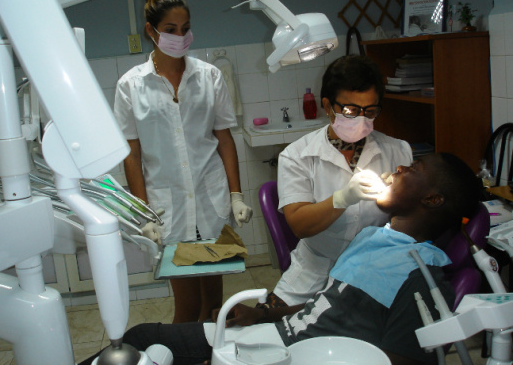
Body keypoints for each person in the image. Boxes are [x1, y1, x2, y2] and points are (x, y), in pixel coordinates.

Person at [79, 153, 483, 365]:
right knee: (138, 338)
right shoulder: (378, 238)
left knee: (140, 346)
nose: (399, 167)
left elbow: (404, 361)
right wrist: (268, 315)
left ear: (432, 199)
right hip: (277, 333)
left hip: (292, 354)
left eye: (413, 168)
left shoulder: (421, 277)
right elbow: (333, 305)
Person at [114, 0, 253, 323]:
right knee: (188, 308)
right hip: (168, 207)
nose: (180, 36)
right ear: (151, 31)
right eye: (171, 30)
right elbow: (131, 156)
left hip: (210, 198)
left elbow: (224, 139)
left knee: (215, 305)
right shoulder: (131, 85)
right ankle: (187, 356)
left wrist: (235, 194)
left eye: (186, 28)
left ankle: (210, 356)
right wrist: (143, 213)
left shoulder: (209, 77)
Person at [271, 55, 413, 308]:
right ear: (327, 106)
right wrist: (343, 198)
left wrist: (400, 192)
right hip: (314, 272)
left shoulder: (397, 151)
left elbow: (412, 219)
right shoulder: (297, 155)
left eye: (370, 111)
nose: (361, 119)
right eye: (350, 110)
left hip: (375, 272)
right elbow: (299, 225)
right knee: (271, 326)